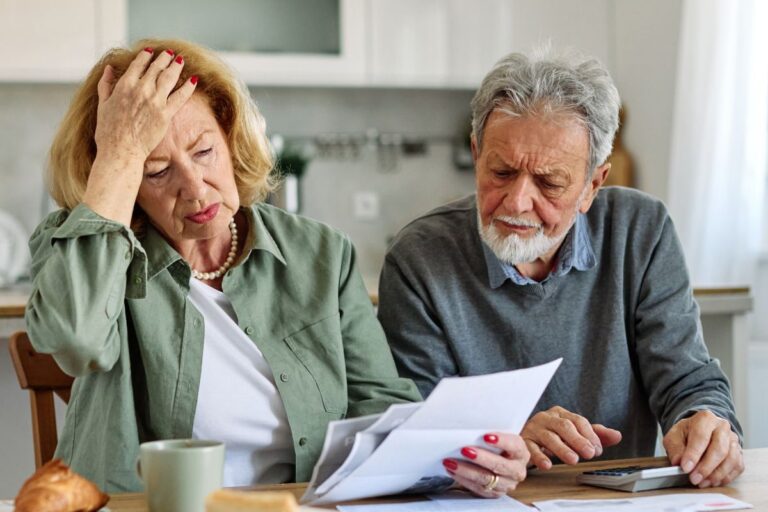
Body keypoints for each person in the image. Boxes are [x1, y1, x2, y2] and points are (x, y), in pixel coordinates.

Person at [26, 38, 528, 495]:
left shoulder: (320, 255)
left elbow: (379, 407)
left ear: (229, 134)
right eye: (155, 171)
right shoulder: (81, 249)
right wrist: (118, 153)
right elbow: (76, 340)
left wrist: (463, 459)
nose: (196, 188)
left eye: (204, 151)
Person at [378, 48, 745, 489]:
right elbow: (412, 433)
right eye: (501, 172)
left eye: (549, 183)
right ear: (476, 154)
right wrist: (504, 437)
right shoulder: (419, 257)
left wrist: (703, 423)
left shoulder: (642, 231)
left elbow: (687, 378)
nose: (516, 202)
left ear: (593, 184)